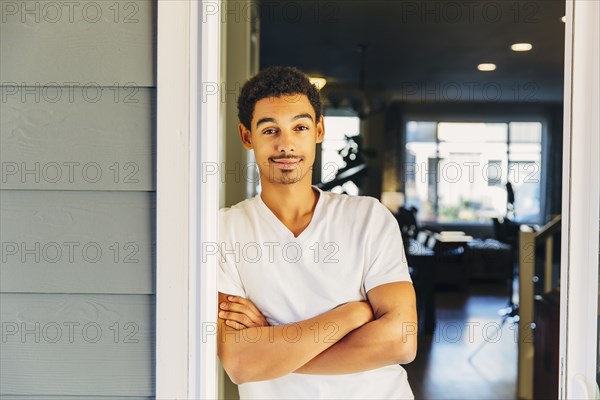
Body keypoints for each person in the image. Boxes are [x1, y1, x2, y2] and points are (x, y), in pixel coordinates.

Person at [217, 66, 417, 399]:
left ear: (319, 130)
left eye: (299, 127)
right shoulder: (223, 230)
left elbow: (402, 339)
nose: (286, 144)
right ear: (246, 136)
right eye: (270, 130)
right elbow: (239, 360)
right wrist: (352, 313)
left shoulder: (368, 218)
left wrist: (273, 349)